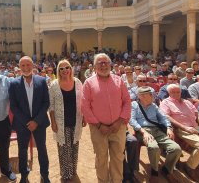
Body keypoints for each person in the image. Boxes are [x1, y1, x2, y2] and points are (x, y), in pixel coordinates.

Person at [81, 53, 131, 183]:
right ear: (95, 66)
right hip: (98, 129)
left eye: (106, 63)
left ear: (110, 65)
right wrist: (98, 125)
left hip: (118, 128)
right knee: (101, 159)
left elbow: (127, 101)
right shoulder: (88, 83)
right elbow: (85, 106)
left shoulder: (119, 81)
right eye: (100, 63)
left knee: (118, 158)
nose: (103, 65)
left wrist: (119, 121)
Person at [160, 84, 199, 182]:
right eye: (173, 92)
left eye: (178, 91)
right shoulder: (165, 102)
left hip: (197, 127)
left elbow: (198, 115)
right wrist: (185, 127)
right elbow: (167, 117)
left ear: (181, 92)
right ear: (168, 93)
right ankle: (190, 166)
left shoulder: (187, 102)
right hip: (182, 129)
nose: (176, 94)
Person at [9, 56, 50, 183]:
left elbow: (46, 102)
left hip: (40, 122)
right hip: (22, 124)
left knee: (42, 149)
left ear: (33, 66)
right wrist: (28, 122)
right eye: (23, 65)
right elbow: (13, 106)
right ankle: (24, 175)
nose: (26, 68)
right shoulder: (14, 83)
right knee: (22, 150)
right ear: (19, 67)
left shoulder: (42, 81)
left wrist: (36, 121)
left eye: (28, 65)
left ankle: (44, 174)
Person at [130, 86, 181, 183]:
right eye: (149, 95)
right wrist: (143, 132)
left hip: (157, 131)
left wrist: (169, 128)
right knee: (154, 148)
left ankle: (167, 170)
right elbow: (132, 120)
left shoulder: (154, 106)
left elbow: (163, 118)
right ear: (141, 96)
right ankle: (154, 172)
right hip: (143, 131)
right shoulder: (134, 105)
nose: (152, 96)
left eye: (151, 94)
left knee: (176, 148)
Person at [48, 60, 85, 182]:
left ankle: (73, 171)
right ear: (58, 71)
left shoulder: (78, 82)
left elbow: (82, 101)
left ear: (71, 69)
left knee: (74, 146)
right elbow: (51, 106)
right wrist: (53, 121)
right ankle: (65, 174)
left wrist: (84, 116)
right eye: (61, 68)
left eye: (67, 67)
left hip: (76, 120)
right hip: (61, 122)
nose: (65, 70)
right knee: (64, 149)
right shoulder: (54, 85)